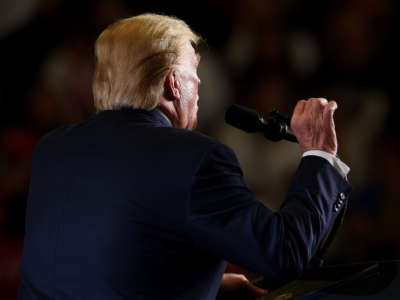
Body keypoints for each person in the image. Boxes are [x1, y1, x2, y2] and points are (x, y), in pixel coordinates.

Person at [18, 13, 351, 300]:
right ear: (174, 84)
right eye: (196, 73)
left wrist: (204, 288)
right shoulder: (193, 158)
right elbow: (284, 253)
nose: (200, 88)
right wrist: (319, 154)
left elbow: (92, 265)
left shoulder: (53, 149)